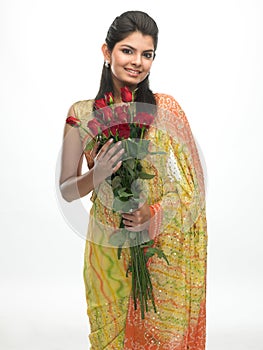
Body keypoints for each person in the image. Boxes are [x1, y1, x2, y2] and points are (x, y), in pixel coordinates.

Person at [59, 10, 207, 350]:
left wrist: (152, 214)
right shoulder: (81, 114)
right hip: (106, 247)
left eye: (147, 54)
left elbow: (192, 187)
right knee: (109, 338)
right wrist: (94, 177)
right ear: (106, 52)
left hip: (156, 248)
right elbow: (67, 190)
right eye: (128, 50)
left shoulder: (165, 110)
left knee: (159, 336)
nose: (137, 61)